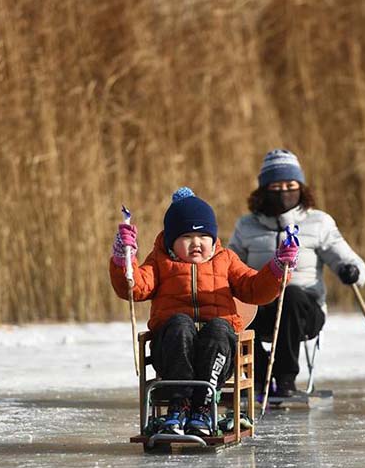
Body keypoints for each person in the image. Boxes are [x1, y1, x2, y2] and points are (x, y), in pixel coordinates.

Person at [109, 187, 298, 436]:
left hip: (218, 351)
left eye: (203, 236)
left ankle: (203, 404)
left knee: (221, 327)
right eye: (186, 237)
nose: (196, 243)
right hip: (172, 348)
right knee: (179, 323)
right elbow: (134, 288)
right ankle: (179, 404)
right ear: (171, 241)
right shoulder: (160, 262)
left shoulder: (227, 260)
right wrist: (125, 260)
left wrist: (277, 268)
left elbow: (255, 289)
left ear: (213, 238)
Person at [228, 149, 365, 397]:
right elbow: (229, 264)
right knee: (231, 308)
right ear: (263, 190)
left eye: (290, 185)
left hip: (303, 310)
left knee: (290, 294)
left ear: (301, 189)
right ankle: (258, 377)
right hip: (260, 306)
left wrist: (351, 270)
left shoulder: (319, 222)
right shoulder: (246, 226)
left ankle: (284, 380)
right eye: (276, 186)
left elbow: (347, 258)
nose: (284, 192)